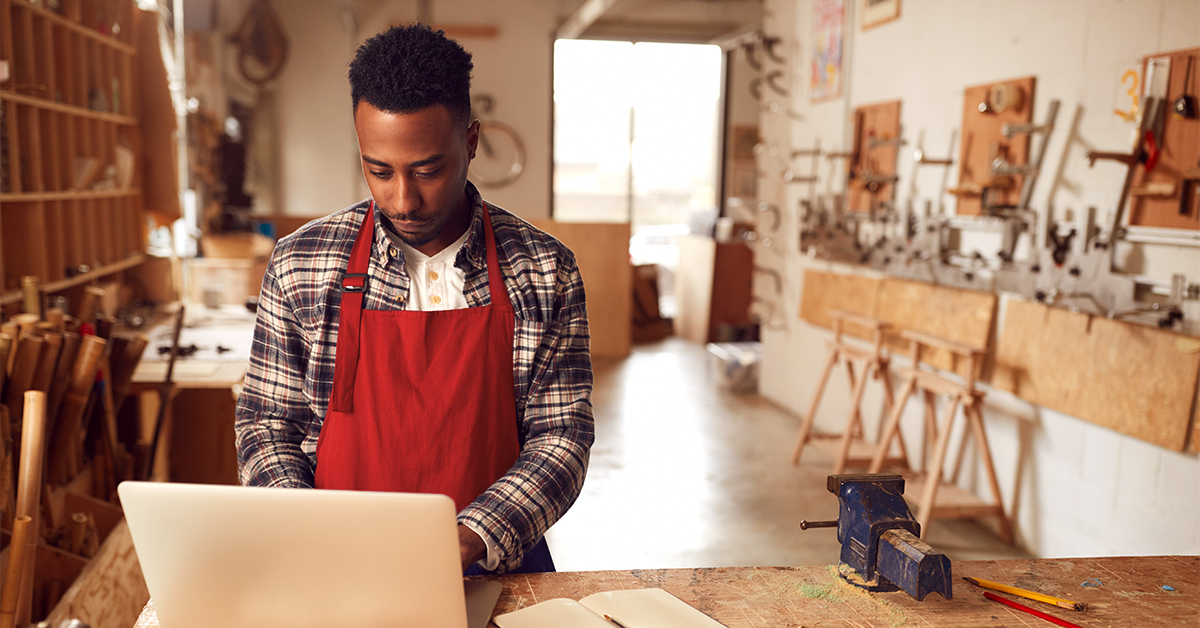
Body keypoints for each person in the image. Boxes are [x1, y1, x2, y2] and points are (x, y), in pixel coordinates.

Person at [234, 23, 594, 575]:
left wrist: (475, 534)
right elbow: (266, 424)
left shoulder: (544, 271)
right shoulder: (301, 264)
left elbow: (561, 435)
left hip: (494, 568)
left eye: (427, 170)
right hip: (338, 566)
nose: (403, 199)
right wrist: (305, 523)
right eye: (379, 171)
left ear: (470, 142)